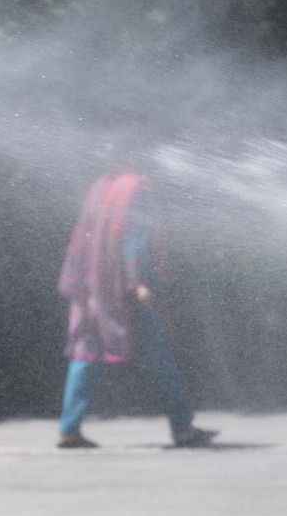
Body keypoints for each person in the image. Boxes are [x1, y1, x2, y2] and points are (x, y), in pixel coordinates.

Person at [56, 168, 216, 449]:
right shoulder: (135, 188)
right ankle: (182, 428)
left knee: (86, 353)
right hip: (126, 290)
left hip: (94, 286)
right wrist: (138, 281)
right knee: (158, 355)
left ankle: (69, 430)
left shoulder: (101, 185)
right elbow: (134, 236)